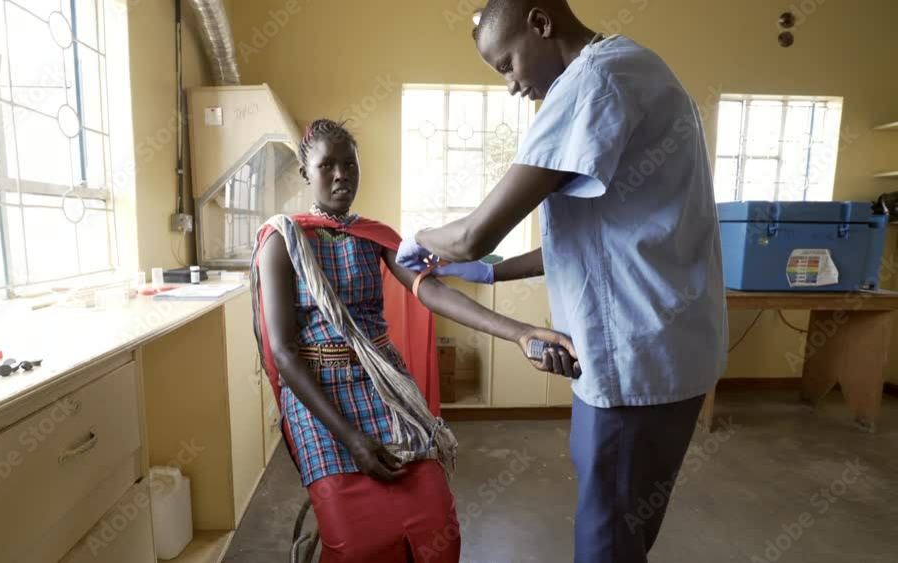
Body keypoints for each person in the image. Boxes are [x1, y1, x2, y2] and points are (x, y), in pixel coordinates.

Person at [397, 1, 729, 562]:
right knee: (621, 523)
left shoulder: (594, 79)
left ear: (541, 23)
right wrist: (492, 273)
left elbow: (476, 232)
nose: (510, 84)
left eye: (506, 64)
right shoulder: (635, 68)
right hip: (664, 350)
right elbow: (594, 238)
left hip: (634, 359)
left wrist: (420, 238)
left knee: (607, 536)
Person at [252, 119, 571, 563]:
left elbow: (432, 291)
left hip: (383, 384)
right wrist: (350, 438)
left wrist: (520, 333)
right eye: (327, 165)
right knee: (357, 542)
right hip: (315, 391)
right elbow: (284, 353)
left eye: (350, 163)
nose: (341, 174)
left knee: (437, 527)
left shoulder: (374, 236)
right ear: (306, 172)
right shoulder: (282, 239)